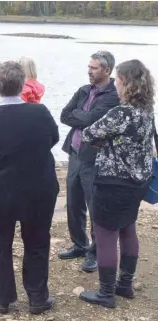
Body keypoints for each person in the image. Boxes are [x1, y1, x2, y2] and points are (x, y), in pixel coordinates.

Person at [0, 61, 59, 315]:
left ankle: (2, 298)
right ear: (22, 86)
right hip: (36, 191)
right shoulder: (39, 112)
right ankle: (37, 297)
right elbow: (52, 139)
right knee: (37, 242)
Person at [79, 60, 155, 308]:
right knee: (128, 229)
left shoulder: (121, 113)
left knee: (106, 234)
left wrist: (107, 143)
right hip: (138, 183)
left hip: (113, 183)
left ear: (127, 84)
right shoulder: (147, 112)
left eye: (119, 81)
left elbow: (89, 134)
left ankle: (106, 293)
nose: (116, 86)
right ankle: (125, 285)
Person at [59, 51, 120, 273]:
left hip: (95, 158)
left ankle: (95, 253)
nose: (89, 71)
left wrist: (82, 117)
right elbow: (64, 115)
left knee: (94, 206)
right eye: (88, 67)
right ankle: (79, 244)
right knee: (74, 203)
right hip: (75, 153)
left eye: (93, 68)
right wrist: (82, 117)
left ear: (106, 70)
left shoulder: (114, 95)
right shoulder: (84, 90)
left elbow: (93, 120)